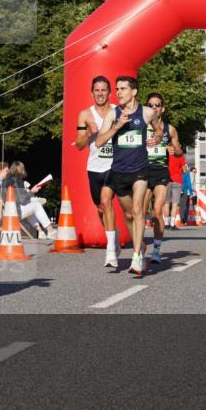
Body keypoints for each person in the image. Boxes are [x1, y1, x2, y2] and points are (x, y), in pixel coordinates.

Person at [94, 75, 163, 276]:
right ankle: (139, 245)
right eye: (117, 89)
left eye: (123, 88)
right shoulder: (112, 114)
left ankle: (136, 258)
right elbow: (98, 142)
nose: (119, 92)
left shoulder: (147, 112)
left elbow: (159, 129)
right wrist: (116, 126)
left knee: (138, 210)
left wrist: (156, 139)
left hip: (140, 170)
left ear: (133, 92)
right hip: (119, 171)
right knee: (129, 214)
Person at [73, 76, 117, 267]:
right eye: (97, 90)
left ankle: (110, 250)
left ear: (109, 92)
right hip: (94, 167)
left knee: (107, 202)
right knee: (100, 208)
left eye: (104, 90)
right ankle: (112, 237)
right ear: (92, 93)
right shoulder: (85, 115)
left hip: (114, 166)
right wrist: (89, 133)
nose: (100, 94)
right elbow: (80, 145)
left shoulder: (118, 111)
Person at [144, 93, 180, 264]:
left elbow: (179, 151)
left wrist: (174, 149)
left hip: (160, 172)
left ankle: (156, 249)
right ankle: (140, 246)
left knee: (157, 210)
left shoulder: (170, 129)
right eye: (151, 105)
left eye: (157, 105)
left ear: (162, 109)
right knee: (140, 212)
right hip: (142, 171)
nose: (154, 108)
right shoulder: (141, 126)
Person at [0, 161, 56, 239]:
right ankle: (51, 231)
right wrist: (32, 191)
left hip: (6, 211)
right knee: (37, 205)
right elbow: (22, 200)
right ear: (21, 170)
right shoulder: (17, 180)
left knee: (31, 206)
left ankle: (40, 232)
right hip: (15, 212)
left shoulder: (5, 180)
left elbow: (17, 198)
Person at [167, 145, 186, 228]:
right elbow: (185, 170)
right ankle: (172, 224)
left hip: (167, 180)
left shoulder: (167, 156)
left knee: (166, 203)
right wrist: (180, 170)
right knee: (175, 204)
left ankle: (165, 223)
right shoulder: (181, 156)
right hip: (177, 181)